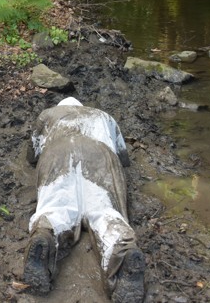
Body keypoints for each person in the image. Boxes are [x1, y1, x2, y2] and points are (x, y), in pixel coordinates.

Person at [23, 97, 145, 301]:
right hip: (99, 155)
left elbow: (32, 155)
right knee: (105, 213)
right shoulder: (105, 116)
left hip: (58, 154)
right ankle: (123, 252)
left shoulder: (47, 115)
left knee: (56, 208)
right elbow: (123, 158)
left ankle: (45, 236)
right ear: (83, 107)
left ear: (60, 107)